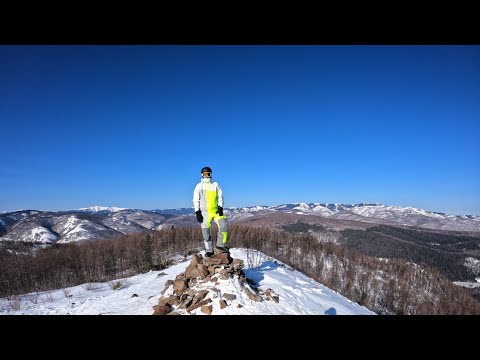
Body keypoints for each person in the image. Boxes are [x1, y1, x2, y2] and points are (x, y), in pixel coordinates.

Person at [193, 166, 228, 257]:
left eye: (208, 174)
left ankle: (220, 245)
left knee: (223, 225)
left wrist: (220, 207)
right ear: (202, 175)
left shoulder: (215, 185)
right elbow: (195, 200)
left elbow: (220, 197)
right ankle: (209, 250)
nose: (207, 176)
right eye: (205, 174)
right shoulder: (199, 186)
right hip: (204, 213)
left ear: (211, 174)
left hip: (216, 211)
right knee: (206, 234)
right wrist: (197, 212)